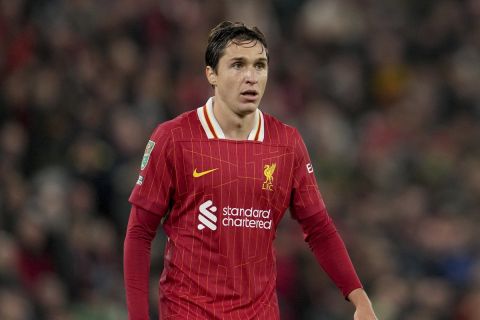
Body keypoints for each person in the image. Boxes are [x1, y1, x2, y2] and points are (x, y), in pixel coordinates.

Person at [124, 21, 378, 320]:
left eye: (260, 65)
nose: (251, 77)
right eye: (237, 65)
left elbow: (319, 228)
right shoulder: (175, 138)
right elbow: (140, 233)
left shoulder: (286, 143)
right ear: (212, 74)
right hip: (188, 312)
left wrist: (360, 299)